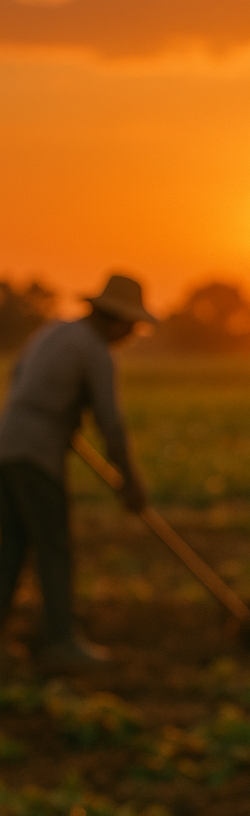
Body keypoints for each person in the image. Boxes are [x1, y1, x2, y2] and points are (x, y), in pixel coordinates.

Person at [0, 274, 155, 667]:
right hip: (35, 453)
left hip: (7, 442)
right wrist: (131, 482)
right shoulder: (94, 351)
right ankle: (60, 639)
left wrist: (60, 414)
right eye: (132, 325)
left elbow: (17, 378)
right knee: (54, 546)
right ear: (117, 319)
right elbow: (110, 422)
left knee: (12, 545)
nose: (133, 333)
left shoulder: (55, 332)